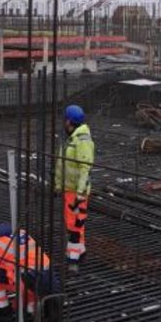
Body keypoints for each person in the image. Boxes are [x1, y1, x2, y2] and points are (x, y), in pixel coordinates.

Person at [0, 221, 59, 320]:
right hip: (47, 275)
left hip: (28, 279)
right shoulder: (19, 231)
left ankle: (1, 311)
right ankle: (33, 306)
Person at [54, 104, 94, 264]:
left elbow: (85, 168)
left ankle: (73, 259)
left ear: (69, 122)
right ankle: (81, 251)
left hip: (77, 191)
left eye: (65, 120)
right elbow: (62, 165)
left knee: (74, 225)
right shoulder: (73, 139)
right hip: (69, 188)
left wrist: (79, 194)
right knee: (76, 222)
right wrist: (58, 185)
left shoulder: (82, 141)